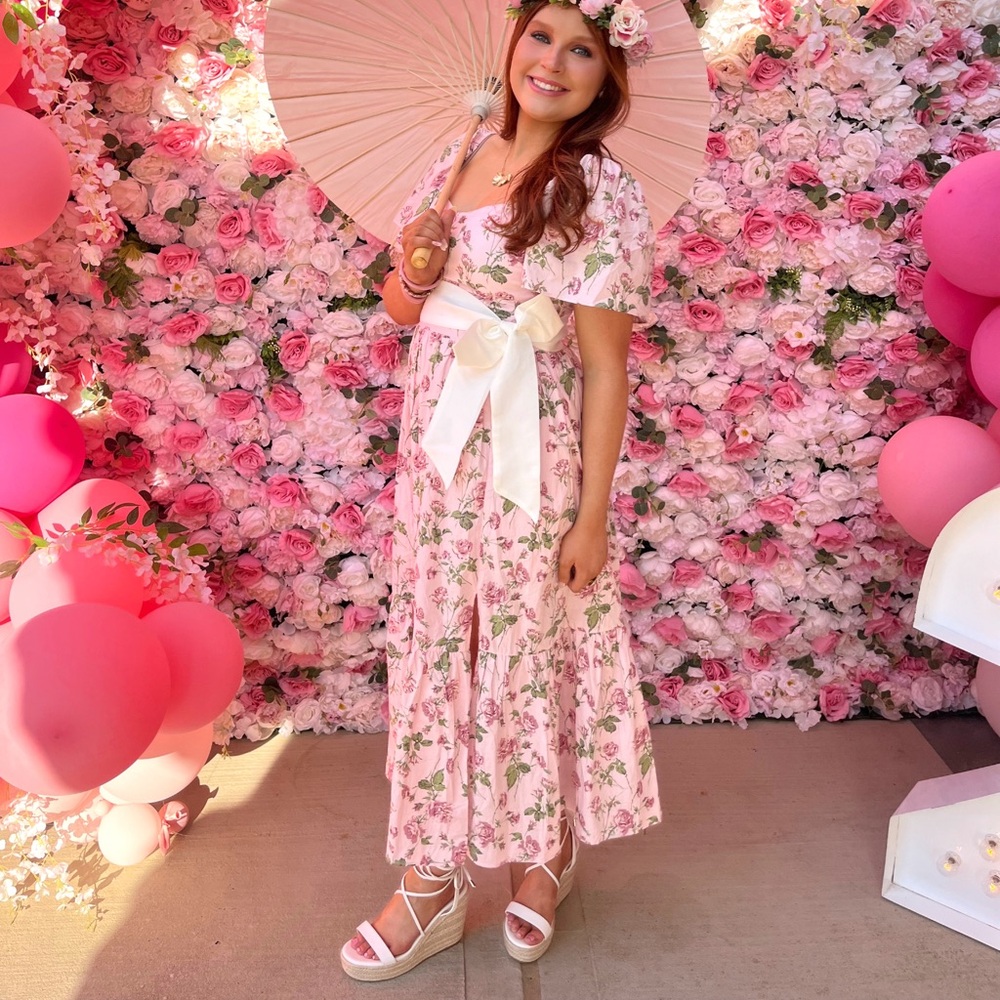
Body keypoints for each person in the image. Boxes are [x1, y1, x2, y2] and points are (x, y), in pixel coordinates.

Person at [341, 0, 662, 981]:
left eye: (583, 49)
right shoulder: (459, 154)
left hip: (531, 451)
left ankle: (542, 846)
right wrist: (416, 265)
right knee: (442, 641)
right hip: (439, 451)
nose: (553, 62)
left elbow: (604, 365)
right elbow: (405, 307)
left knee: (523, 642)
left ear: (606, 76)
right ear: (513, 42)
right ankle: (430, 876)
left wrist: (591, 517)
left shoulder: (599, 188)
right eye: (542, 37)